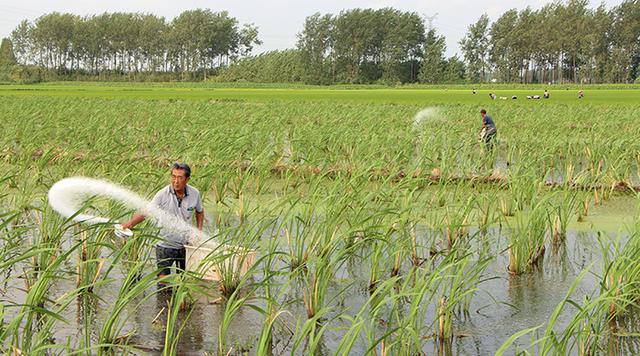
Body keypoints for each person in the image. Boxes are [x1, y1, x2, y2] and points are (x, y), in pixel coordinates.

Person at [121, 162, 204, 277]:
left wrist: (198, 230)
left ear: (187, 179)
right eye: (173, 177)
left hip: (186, 246)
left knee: (184, 280)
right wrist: (130, 223)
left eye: (180, 178)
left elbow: (199, 211)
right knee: (163, 283)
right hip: (165, 246)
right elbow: (147, 212)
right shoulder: (162, 195)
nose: (176, 181)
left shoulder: (195, 194)